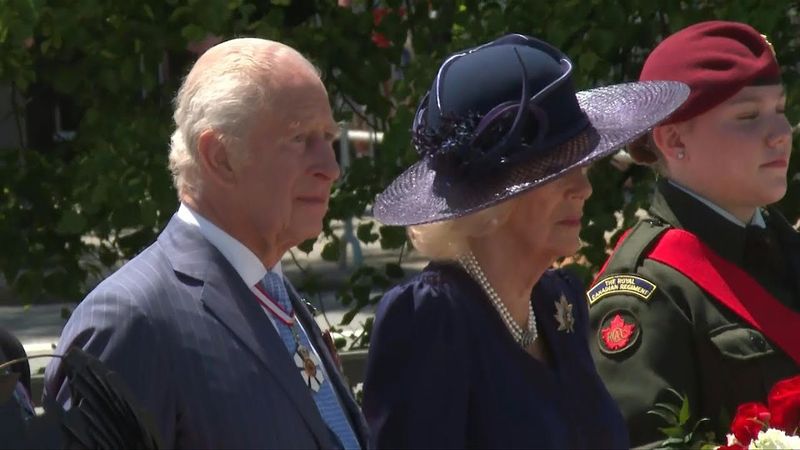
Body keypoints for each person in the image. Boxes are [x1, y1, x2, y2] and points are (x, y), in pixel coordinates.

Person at [362, 33, 688, 448]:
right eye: (557, 169)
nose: (582, 189)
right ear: (490, 200)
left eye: (584, 163)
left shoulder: (558, 300)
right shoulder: (433, 318)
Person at [44, 38, 368, 449]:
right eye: (301, 139)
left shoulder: (272, 293)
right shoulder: (129, 322)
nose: (331, 167)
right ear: (220, 156)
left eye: (328, 137)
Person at [586, 21, 799, 446]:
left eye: (780, 109)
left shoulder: (784, 246)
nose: (781, 134)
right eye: (748, 117)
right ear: (673, 139)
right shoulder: (645, 291)